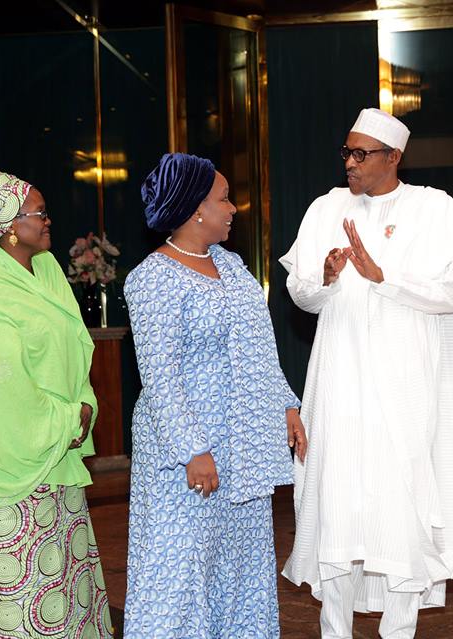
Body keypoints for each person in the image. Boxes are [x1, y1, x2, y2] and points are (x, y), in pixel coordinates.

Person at [280, 108, 453, 639]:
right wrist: (324, 278)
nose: (350, 162)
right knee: (336, 500)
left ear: (395, 157)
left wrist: (382, 276)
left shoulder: (432, 209)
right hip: (340, 379)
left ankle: (399, 630)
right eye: (346, 152)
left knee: (403, 502)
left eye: (361, 153)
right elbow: (300, 296)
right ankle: (334, 630)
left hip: (406, 383)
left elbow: (451, 296)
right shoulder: (325, 208)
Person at [124, 152, 307, 638]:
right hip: (187, 450)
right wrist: (193, 450)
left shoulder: (231, 266)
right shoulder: (152, 278)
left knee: (241, 567)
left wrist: (286, 403)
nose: (233, 208)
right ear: (193, 209)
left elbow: (260, 347)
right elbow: (159, 376)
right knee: (180, 567)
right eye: (224, 199)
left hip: (243, 444)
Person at [0, 170, 113, 637]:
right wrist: (65, 417)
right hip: (2, 461)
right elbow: (2, 383)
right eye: (38, 212)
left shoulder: (48, 268)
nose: (47, 219)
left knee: (67, 595)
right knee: (22, 606)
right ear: (8, 226)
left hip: (56, 448)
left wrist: (82, 402)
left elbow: (76, 345)